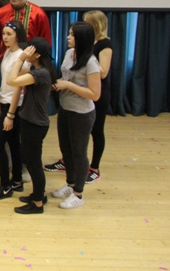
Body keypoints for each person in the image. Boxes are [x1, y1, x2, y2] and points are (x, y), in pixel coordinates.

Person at [51, 22, 101, 209]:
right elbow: (66, 77)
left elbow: (95, 94)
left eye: (72, 35)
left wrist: (68, 85)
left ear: (82, 39)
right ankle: (70, 183)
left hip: (81, 113)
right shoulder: (68, 54)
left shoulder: (91, 63)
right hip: (65, 108)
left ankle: (78, 194)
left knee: (79, 152)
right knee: (66, 149)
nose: (68, 37)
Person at [5, 38, 57, 214]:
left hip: (35, 124)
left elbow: (12, 80)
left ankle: (38, 203)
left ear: (37, 55)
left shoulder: (41, 73)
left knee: (34, 163)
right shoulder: (37, 69)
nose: (25, 52)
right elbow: (16, 76)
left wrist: (20, 59)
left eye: (29, 51)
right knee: (30, 160)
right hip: (31, 121)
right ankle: (38, 194)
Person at [0, 20, 28, 200]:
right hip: (4, 102)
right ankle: (17, 180)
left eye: (9, 34)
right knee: (13, 143)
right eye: (3, 34)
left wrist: (10, 115)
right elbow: (4, 81)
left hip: (14, 106)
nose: (5, 37)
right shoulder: (8, 52)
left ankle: (5, 185)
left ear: (18, 36)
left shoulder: (22, 57)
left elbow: (18, 88)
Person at [83, 10, 112, 182]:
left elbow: (103, 72)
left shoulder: (104, 44)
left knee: (96, 130)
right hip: (82, 91)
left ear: (96, 25)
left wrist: (85, 57)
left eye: (87, 22)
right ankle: (70, 160)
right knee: (77, 129)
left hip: (99, 93)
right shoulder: (86, 41)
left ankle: (94, 167)